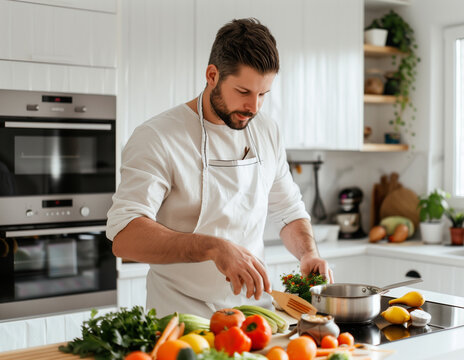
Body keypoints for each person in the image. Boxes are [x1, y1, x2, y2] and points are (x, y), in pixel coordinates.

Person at [106, 18, 333, 318]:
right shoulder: (157, 137)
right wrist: (212, 247)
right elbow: (125, 237)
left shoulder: (266, 131)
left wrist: (308, 254)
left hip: (252, 315)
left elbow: (288, 210)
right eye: (243, 91)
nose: (254, 107)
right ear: (212, 75)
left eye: (263, 94)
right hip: (180, 316)